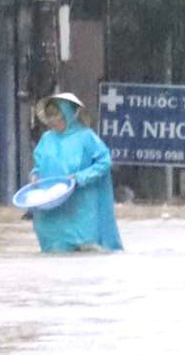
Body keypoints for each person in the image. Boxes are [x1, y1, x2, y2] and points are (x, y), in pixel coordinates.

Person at [29, 92, 124, 254]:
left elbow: (104, 162)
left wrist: (80, 177)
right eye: (49, 116)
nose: (53, 121)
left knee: (85, 250)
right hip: (51, 207)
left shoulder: (87, 137)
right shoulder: (47, 139)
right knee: (54, 252)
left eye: (57, 115)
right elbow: (39, 165)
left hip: (81, 207)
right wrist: (34, 176)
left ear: (68, 115)